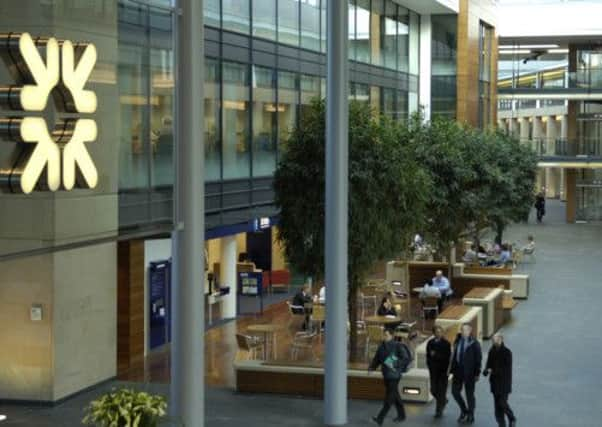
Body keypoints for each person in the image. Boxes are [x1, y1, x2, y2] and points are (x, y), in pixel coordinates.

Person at [369, 328, 412, 425]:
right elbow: (377, 359)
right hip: (386, 375)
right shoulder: (381, 347)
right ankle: (402, 415)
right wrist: (372, 367)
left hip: (394, 375)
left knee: (389, 397)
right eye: (383, 335)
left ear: (392, 336)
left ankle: (380, 417)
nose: (384, 337)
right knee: (395, 395)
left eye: (386, 335)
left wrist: (394, 363)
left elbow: (405, 359)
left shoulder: (398, 346)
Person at [451, 323, 482, 424]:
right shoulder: (458, 340)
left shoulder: (475, 344)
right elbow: (454, 354)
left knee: (469, 395)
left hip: (469, 373)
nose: (463, 332)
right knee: (455, 392)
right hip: (458, 371)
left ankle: (471, 414)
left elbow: (478, 360)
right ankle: (464, 410)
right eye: (462, 330)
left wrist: (477, 373)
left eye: (465, 330)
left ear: (470, 331)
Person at [484, 334, 516, 427]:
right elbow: (488, 363)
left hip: (504, 384)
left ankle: (512, 418)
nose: (494, 341)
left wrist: (492, 371)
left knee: (502, 403)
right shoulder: (491, 351)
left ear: (501, 339)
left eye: (496, 339)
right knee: (497, 407)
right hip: (494, 383)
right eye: (493, 340)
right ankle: (501, 424)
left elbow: (505, 368)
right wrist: (486, 370)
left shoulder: (507, 352)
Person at [427, 325, 452, 418]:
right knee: (433, 390)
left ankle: (439, 411)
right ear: (434, 333)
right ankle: (443, 401)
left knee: (441, 391)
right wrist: (430, 365)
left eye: (440, 331)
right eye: (436, 332)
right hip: (433, 371)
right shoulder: (430, 343)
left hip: (443, 372)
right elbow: (428, 356)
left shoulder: (446, 344)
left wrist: (435, 355)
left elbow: (446, 358)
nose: (438, 333)